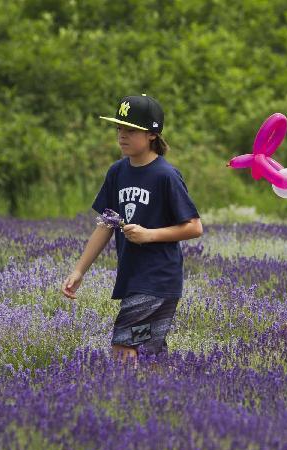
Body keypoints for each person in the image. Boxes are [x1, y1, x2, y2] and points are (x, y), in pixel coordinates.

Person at [61, 94, 203, 360]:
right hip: (133, 278)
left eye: (130, 130)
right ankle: (169, 399)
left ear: (151, 134)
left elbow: (194, 227)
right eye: (119, 129)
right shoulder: (117, 172)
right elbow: (106, 223)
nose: (121, 136)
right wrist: (79, 270)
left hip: (157, 280)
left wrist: (149, 235)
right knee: (149, 353)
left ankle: (124, 399)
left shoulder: (166, 175)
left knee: (124, 348)